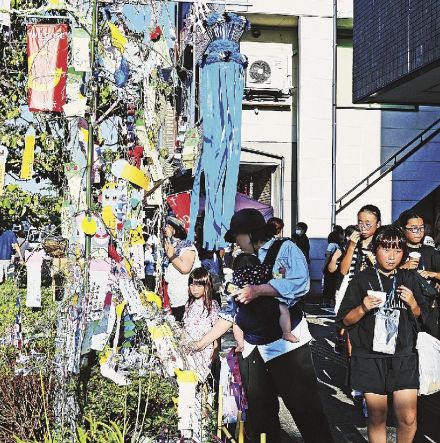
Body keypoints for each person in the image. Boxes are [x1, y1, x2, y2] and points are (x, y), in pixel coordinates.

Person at [192, 208, 333, 443]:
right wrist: (200, 343)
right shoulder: (239, 262)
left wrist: (259, 290)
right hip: (252, 347)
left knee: (307, 412)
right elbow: (231, 311)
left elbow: (300, 284)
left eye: (237, 238)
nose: (236, 244)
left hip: (287, 346)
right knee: (260, 416)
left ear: (249, 234)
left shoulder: (285, 248)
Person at [336, 225, 427, 443]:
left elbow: (422, 317)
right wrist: (363, 308)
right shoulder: (361, 279)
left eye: (397, 250)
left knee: (408, 417)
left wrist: (413, 303)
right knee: (377, 417)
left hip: (403, 355)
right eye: (386, 249)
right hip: (369, 355)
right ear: (375, 250)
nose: (392, 255)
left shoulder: (409, 278)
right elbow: (344, 321)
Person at [230, 253, 299, 351]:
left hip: (246, 310)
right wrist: (282, 271)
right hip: (269, 305)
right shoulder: (264, 271)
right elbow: (278, 278)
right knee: (283, 309)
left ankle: (240, 344)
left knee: (236, 322)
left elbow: (231, 291)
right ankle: (287, 333)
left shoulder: (237, 277)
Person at [183, 267, 220, 381]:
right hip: (190, 347)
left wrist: (216, 350)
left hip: (206, 348)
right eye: (192, 285)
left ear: (206, 286)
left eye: (199, 285)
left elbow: (217, 329)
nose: (194, 289)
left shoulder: (212, 305)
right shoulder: (189, 304)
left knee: (204, 378)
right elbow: (185, 326)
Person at [163, 216, 200, 321]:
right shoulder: (171, 246)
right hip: (175, 299)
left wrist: (172, 256)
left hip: (186, 299)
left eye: (167, 227)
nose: (164, 230)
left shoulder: (186, 246)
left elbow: (185, 268)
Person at [398, 209, 440, 282]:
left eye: (421, 227)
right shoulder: (397, 250)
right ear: (402, 229)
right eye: (414, 228)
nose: (419, 232)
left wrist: (434, 274)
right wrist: (403, 267)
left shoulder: (430, 251)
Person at [322, 226, 344, 307]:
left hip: (329, 266)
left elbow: (327, 256)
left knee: (327, 284)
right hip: (336, 266)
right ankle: (332, 302)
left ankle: (325, 301)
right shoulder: (339, 245)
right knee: (333, 284)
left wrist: (324, 266)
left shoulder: (331, 245)